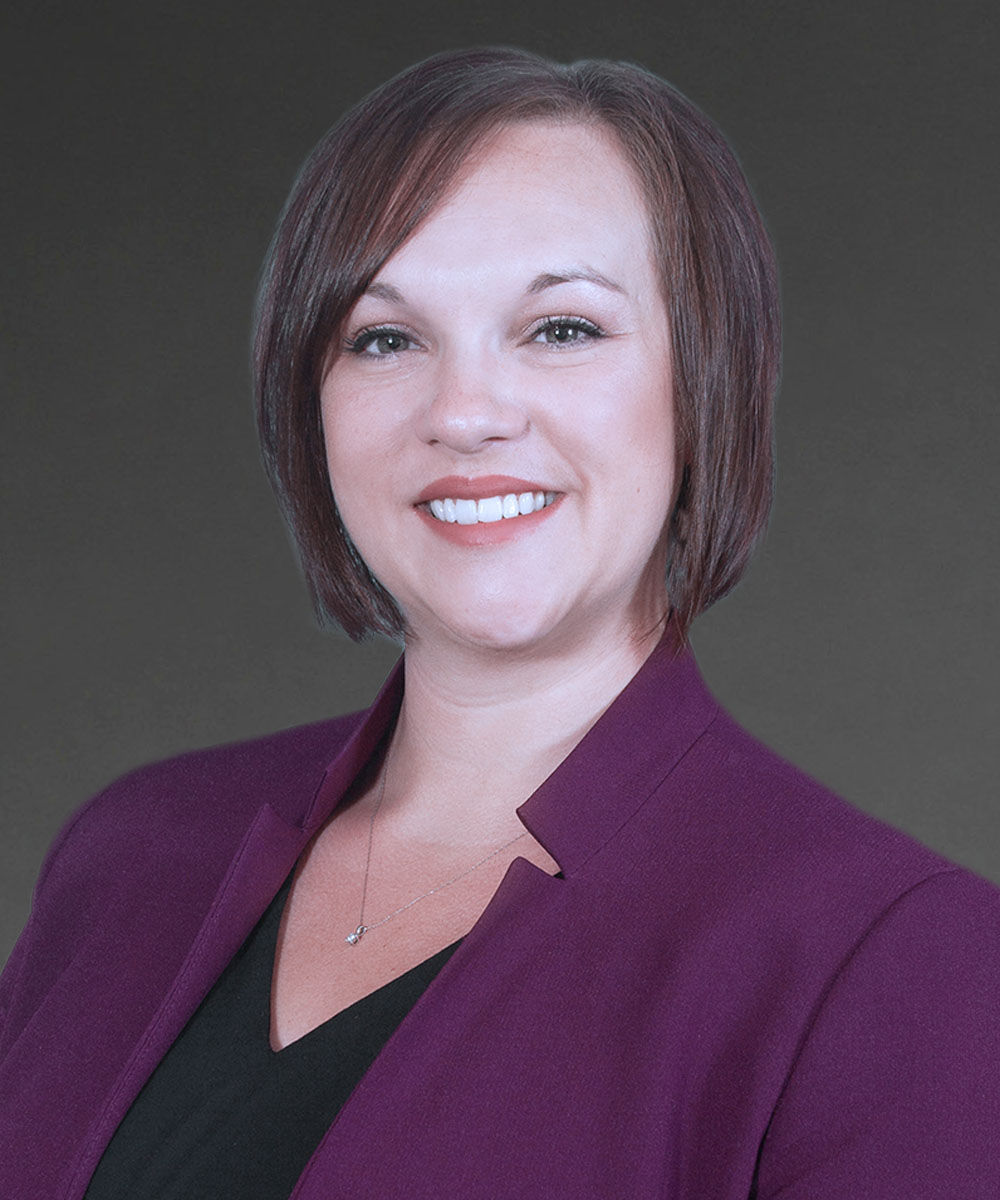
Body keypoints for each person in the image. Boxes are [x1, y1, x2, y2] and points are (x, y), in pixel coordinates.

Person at [1, 45, 997, 1199]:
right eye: (384, 337)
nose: (464, 413)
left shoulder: (899, 966)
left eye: (561, 328)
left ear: (705, 379)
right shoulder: (130, 854)